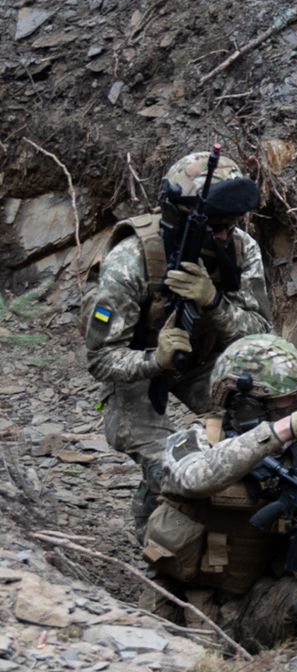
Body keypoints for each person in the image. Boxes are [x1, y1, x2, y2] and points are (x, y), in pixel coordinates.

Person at [142, 334, 297, 672]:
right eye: (282, 408)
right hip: (185, 607)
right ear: (243, 404)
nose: (294, 415)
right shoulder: (193, 441)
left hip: (253, 607)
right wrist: (282, 430)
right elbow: (195, 477)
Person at [84, 150, 273, 526]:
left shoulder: (239, 247)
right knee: (171, 467)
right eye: (216, 225)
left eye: (231, 224)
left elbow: (260, 333)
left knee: (260, 432)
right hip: (135, 370)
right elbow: (101, 359)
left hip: (200, 360)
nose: (225, 234)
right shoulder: (130, 260)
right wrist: (156, 360)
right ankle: (153, 523)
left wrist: (213, 302)